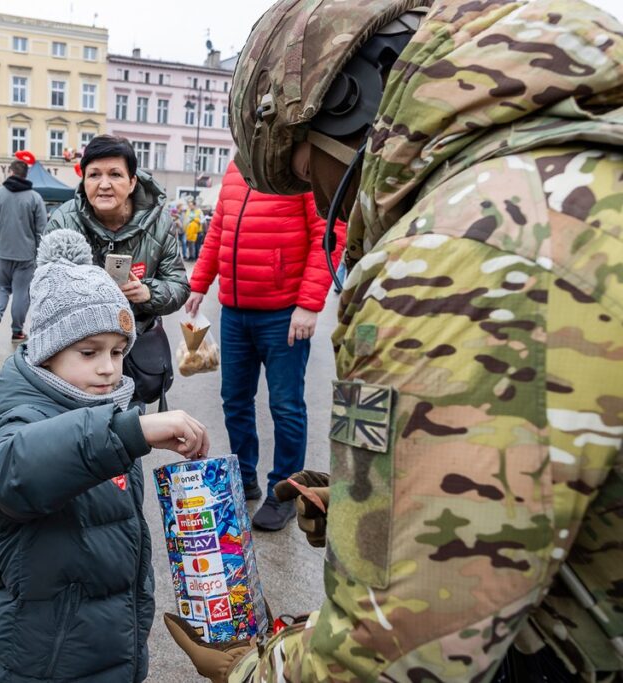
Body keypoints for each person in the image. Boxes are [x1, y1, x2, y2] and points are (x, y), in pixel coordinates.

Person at [167, 0, 623, 680]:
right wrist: (377, 498)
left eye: (303, 173)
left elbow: (393, 657)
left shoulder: (461, 246)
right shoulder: (576, 165)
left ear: (345, 105)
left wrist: (254, 668)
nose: (323, 204)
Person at [0, 229, 210, 682]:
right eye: (89, 352)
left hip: (108, 641)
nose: (108, 367)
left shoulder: (103, 407)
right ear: (46, 351)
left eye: (118, 351)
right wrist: (128, 431)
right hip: (46, 656)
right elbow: (13, 473)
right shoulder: (25, 410)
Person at [185, 160, 344, 531]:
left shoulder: (301, 167)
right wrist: (200, 282)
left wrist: (308, 303)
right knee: (234, 400)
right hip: (236, 312)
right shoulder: (236, 168)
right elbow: (219, 231)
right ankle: (245, 477)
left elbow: (328, 232)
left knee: (286, 406)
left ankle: (285, 491)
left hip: (284, 313)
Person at [46, 135, 189, 405]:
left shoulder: (160, 224)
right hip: (77, 353)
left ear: (133, 181)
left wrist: (147, 292)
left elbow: (179, 286)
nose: (104, 185)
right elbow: (44, 292)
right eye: (94, 175)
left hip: (133, 352)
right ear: (83, 180)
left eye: (115, 174)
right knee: (81, 436)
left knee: (128, 435)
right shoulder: (63, 220)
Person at [0, 158, 47, 344]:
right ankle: (17, 331)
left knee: (1, 287)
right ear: (26, 175)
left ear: (10, 172)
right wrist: (39, 254)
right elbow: (41, 230)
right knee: (21, 292)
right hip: (26, 256)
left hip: (2, 252)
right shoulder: (35, 198)